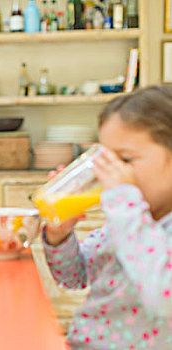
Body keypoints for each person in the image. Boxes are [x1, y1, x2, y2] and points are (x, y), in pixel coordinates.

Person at [43, 86, 172, 349]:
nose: (108, 173)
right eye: (106, 160)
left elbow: (163, 296)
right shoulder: (129, 217)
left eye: (124, 159)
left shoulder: (129, 216)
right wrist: (60, 235)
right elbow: (74, 276)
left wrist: (126, 207)